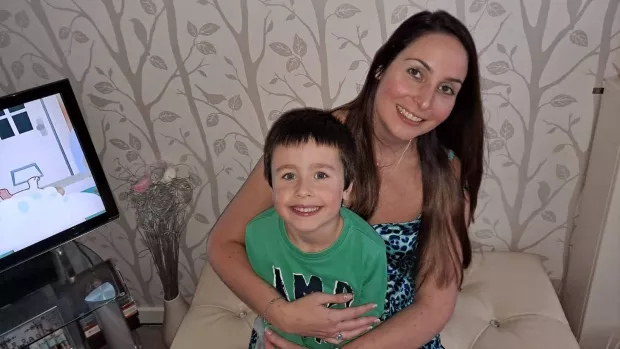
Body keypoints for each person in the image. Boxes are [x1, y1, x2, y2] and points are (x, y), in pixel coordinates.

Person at [207, 9, 484, 349]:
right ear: (381, 68)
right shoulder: (310, 145)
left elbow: (435, 303)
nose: (425, 100)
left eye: (446, 88)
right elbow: (223, 244)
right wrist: (282, 315)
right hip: (296, 331)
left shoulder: (447, 173)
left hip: (393, 338)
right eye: (415, 72)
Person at [247, 108, 387, 349]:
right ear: (271, 186)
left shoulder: (370, 251)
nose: (303, 190)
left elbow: (367, 321)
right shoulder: (257, 235)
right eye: (289, 176)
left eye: (320, 174)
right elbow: (266, 305)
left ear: (347, 188)